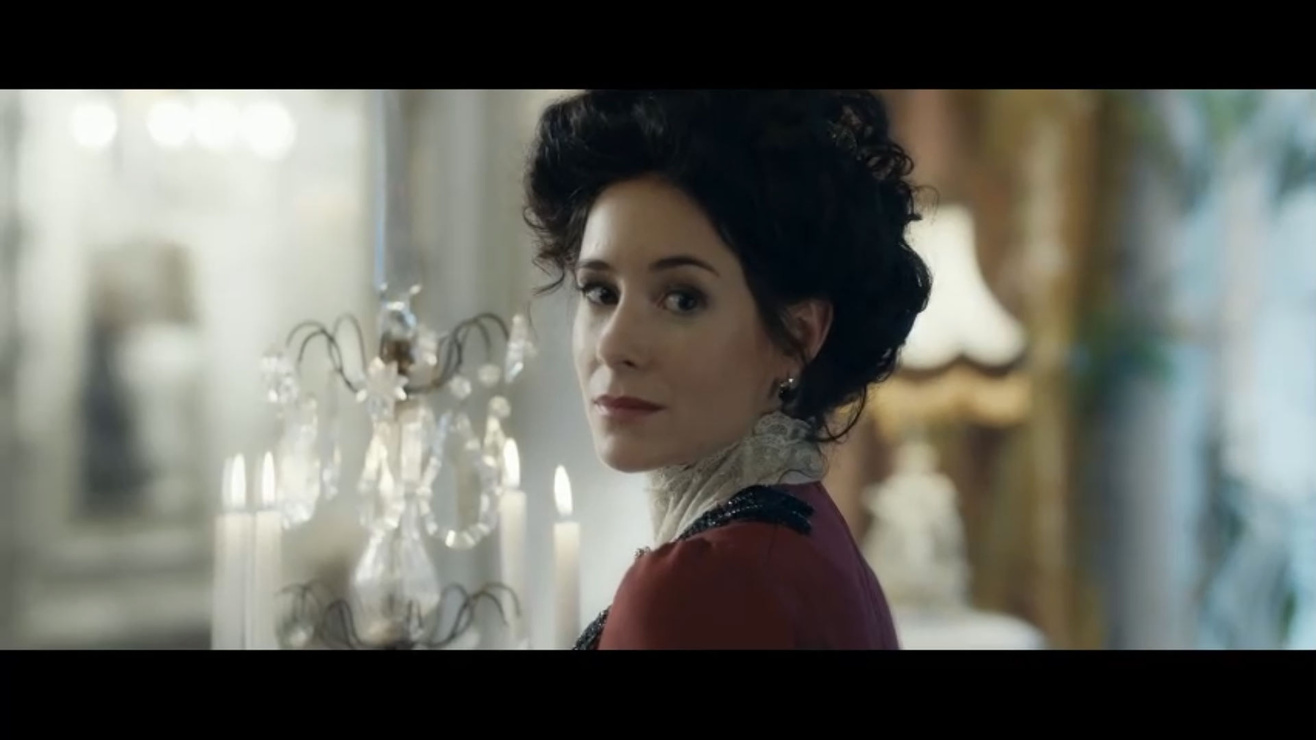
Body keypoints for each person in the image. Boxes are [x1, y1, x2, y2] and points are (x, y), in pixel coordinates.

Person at [523, 90, 932, 649]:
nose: (614, 343)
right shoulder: (807, 536)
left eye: (682, 299)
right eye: (600, 291)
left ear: (798, 336)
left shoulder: (700, 585)